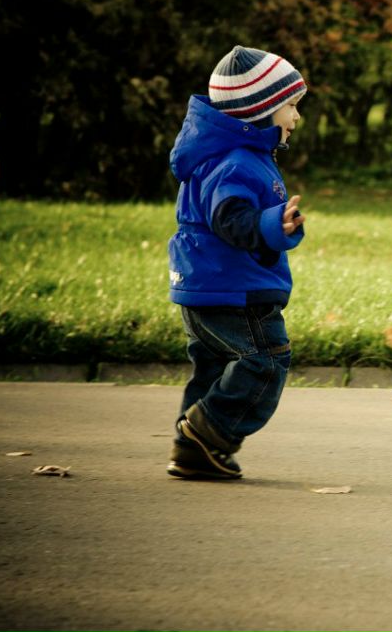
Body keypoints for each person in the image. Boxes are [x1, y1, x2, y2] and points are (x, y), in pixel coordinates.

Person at [164, 45, 308, 479]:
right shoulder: (235, 164)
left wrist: (278, 225)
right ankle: (208, 436)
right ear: (257, 111)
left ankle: (192, 450)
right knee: (264, 360)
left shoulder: (229, 157)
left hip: (208, 286)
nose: (296, 117)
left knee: (214, 366)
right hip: (234, 290)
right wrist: (272, 225)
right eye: (290, 106)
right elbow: (230, 219)